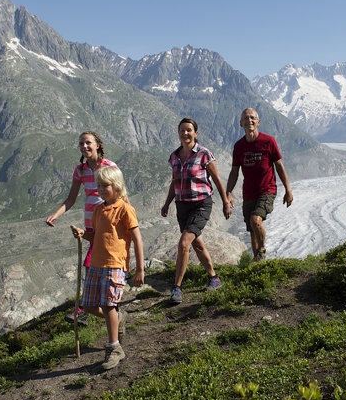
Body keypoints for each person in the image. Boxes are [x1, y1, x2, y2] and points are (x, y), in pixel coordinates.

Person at [75, 165, 144, 371]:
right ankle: (118, 317)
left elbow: (137, 239)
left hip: (115, 264)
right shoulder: (98, 210)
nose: (101, 190)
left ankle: (114, 348)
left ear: (117, 186)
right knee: (87, 306)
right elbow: (97, 237)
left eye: (105, 185)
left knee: (107, 305)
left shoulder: (125, 209)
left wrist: (139, 268)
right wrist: (82, 234)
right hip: (96, 264)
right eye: (98, 186)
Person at [46, 131, 118, 323]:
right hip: (90, 226)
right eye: (81, 144)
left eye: (88, 143)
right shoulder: (80, 171)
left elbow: (119, 195)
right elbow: (71, 199)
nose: (84, 147)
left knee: (90, 264)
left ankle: (89, 309)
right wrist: (56, 215)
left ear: (97, 145)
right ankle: (96, 309)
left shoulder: (110, 167)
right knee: (92, 265)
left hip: (106, 224)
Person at [161, 118, 231, 304]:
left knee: (184, 243)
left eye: (189, 130)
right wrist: (167, 203)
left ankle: (176, 288)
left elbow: (216, 179)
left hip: (201, 204)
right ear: (178, 133)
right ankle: (214, 278)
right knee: (197, 244)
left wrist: (225, 202)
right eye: (182, 130)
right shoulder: (174, 157)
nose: (185, 133)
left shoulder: (204, 154)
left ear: (196, 133)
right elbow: (174, 182)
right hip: (182, 205)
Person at [225, 108, 294, 261]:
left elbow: (279, 166)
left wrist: (288, 190)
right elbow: (234, 172)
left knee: (256, 220)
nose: (249, 120)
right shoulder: (239, 146)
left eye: (252, 118)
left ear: (258, 122)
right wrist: (228, 193)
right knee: (252, 229)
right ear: (241, 123)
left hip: (267, 190)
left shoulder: (268, 141)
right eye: (246, 118)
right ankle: (258, 262)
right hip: (249, 192)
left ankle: (261, 250)